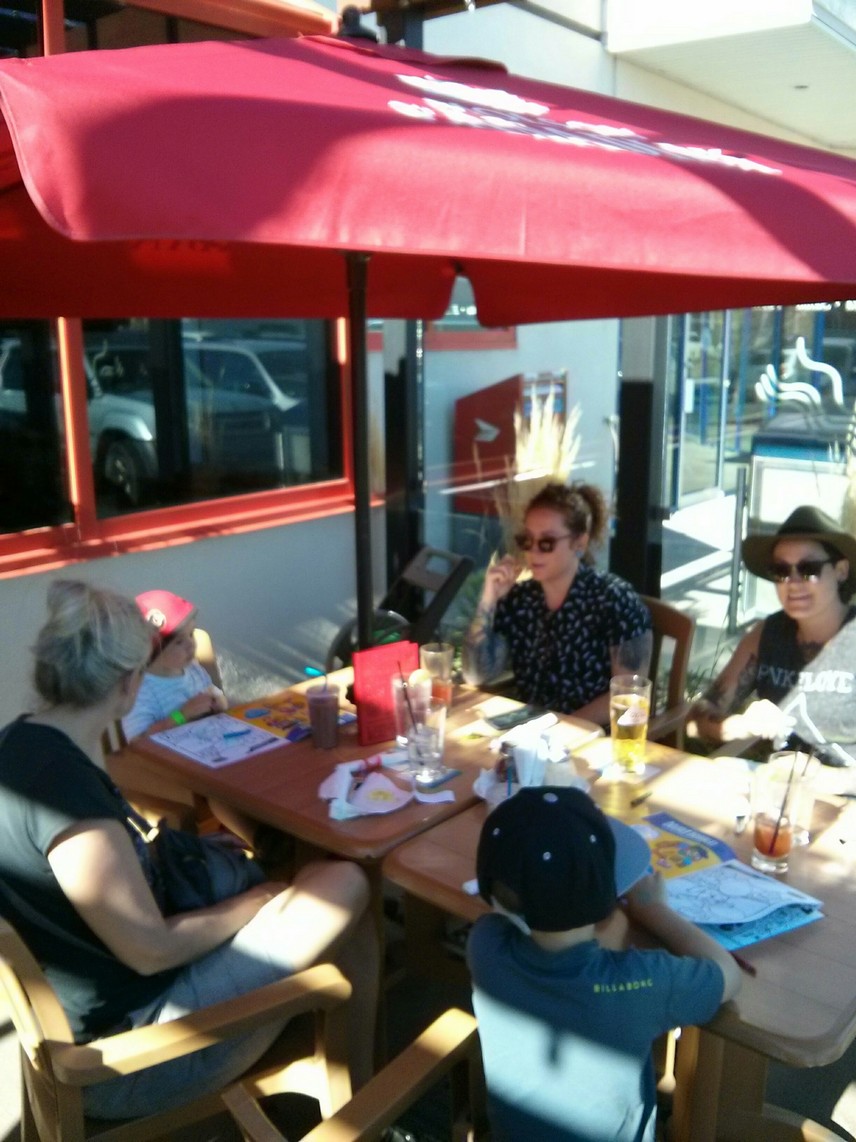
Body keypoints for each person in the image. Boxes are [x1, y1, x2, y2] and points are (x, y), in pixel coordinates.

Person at [0, 580, 378, 1119]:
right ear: (129, 682)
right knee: (345, 881)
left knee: (319, 888)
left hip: (100, 1008)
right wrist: (258, 900)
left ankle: (354, 1080)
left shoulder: (20, 743)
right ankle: (362, 1101)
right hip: (130, 1055)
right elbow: (150, 950)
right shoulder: (71, 804)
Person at [468, 786, 741, 1142]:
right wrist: (655, 911)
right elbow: (728, 974)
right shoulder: (646, 983)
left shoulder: (485, 946)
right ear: (609, 900)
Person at [462, 481, 652, 723]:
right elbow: (475, 675)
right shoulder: (521, 599)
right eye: (526, 540)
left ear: (579, 543)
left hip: (589, 735)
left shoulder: (615, 600)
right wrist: (488, 599)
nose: (534, 551)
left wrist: (558, 727)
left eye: (547, 543)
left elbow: (630, 698)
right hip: (531, 731)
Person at [691, 505, 856, 766]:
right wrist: (741, 726)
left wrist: (829, 780)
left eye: (809, 568)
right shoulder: (766, 635)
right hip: (778, 784)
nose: (793, 582)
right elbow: (698, 718)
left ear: (841, 571)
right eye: (781, 570)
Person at [122, 588, 227, 740]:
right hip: (170, 754)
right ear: (150, 651)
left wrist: (219, 702)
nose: (191, 644)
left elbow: (215, 694)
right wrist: (181, 716)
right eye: (179, 642)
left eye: (191, 634)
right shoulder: (141, 691)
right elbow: (139, 741)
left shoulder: (194, 670)